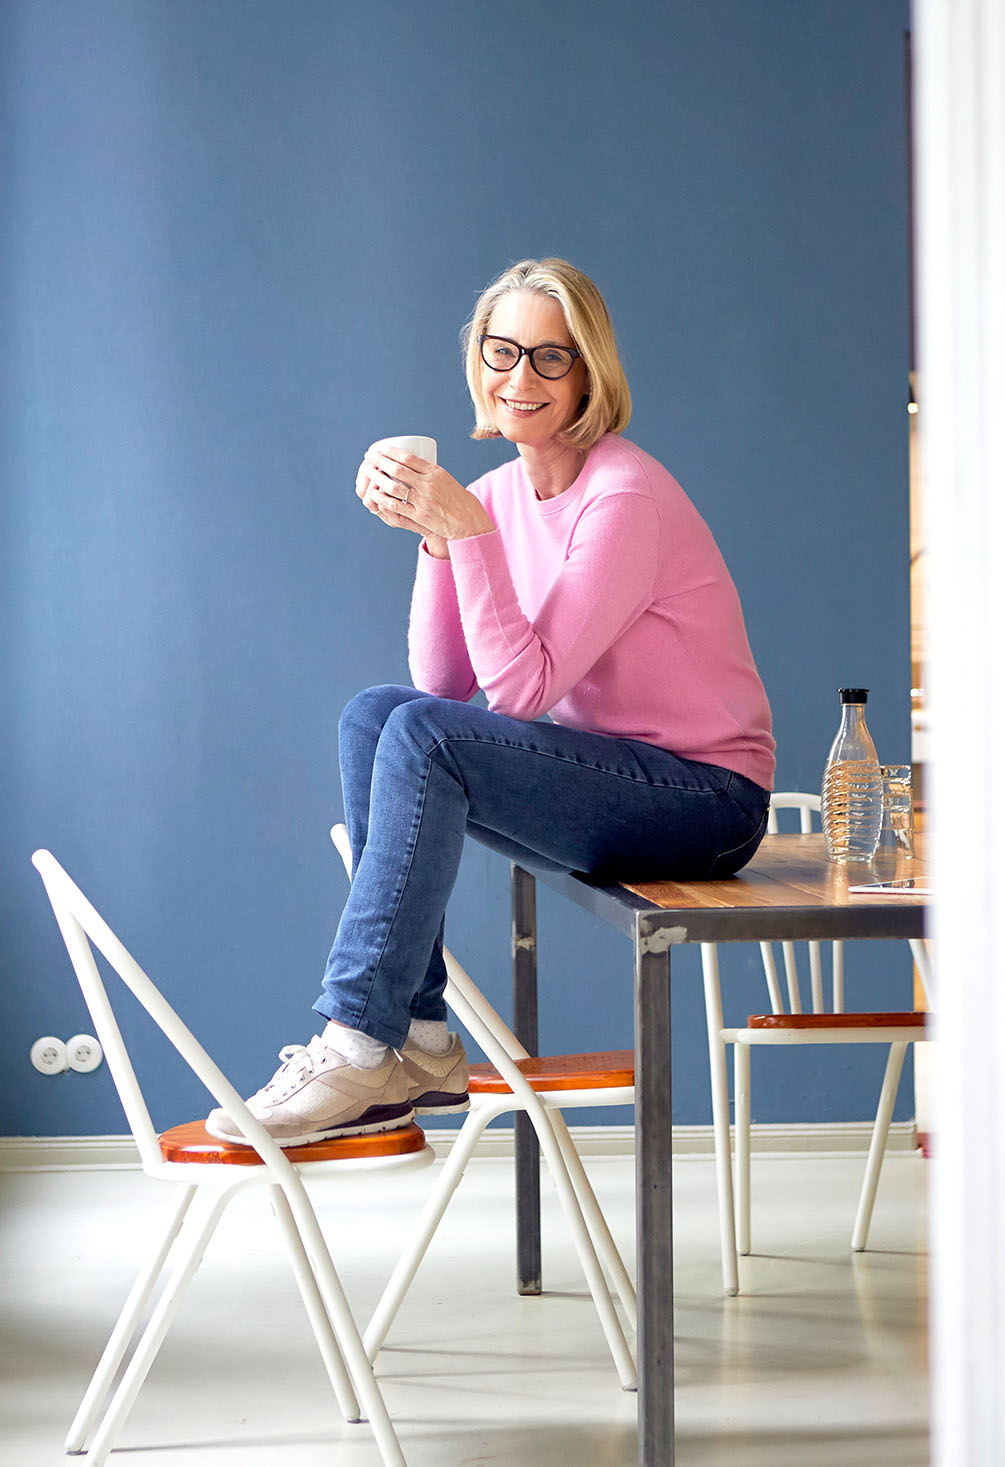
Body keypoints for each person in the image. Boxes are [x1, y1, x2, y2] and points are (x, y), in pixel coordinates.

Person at [207, 259, 775, 1147]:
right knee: (375, 715)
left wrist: (466, 529)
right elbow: (442, 686)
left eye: (552, 358)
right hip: (611, 777)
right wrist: (440, 536)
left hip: (705, 800)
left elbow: (521, 690)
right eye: (503, 351)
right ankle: (424, 1036)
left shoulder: (623, 497)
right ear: (478, 358)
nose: (520, 379)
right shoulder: (499, 494)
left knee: (422, 734)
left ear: (590, 374)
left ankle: (357, 1034)